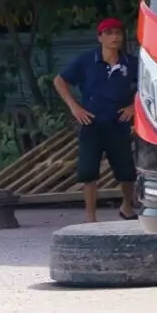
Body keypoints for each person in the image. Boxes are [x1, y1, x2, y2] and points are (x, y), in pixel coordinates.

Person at [55, 17, 141, 222]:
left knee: (126, 170)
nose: (114, 37)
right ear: (99, 37)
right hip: (91, 122)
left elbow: (147, 86)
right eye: (109, 33)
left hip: (118, 121)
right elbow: (59, 80)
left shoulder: (131, 63)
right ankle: (91, 218)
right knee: (88, 171)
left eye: (118, 33)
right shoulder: (87, 61)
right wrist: (74, 107)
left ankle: (127, 206)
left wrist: (133, 106)